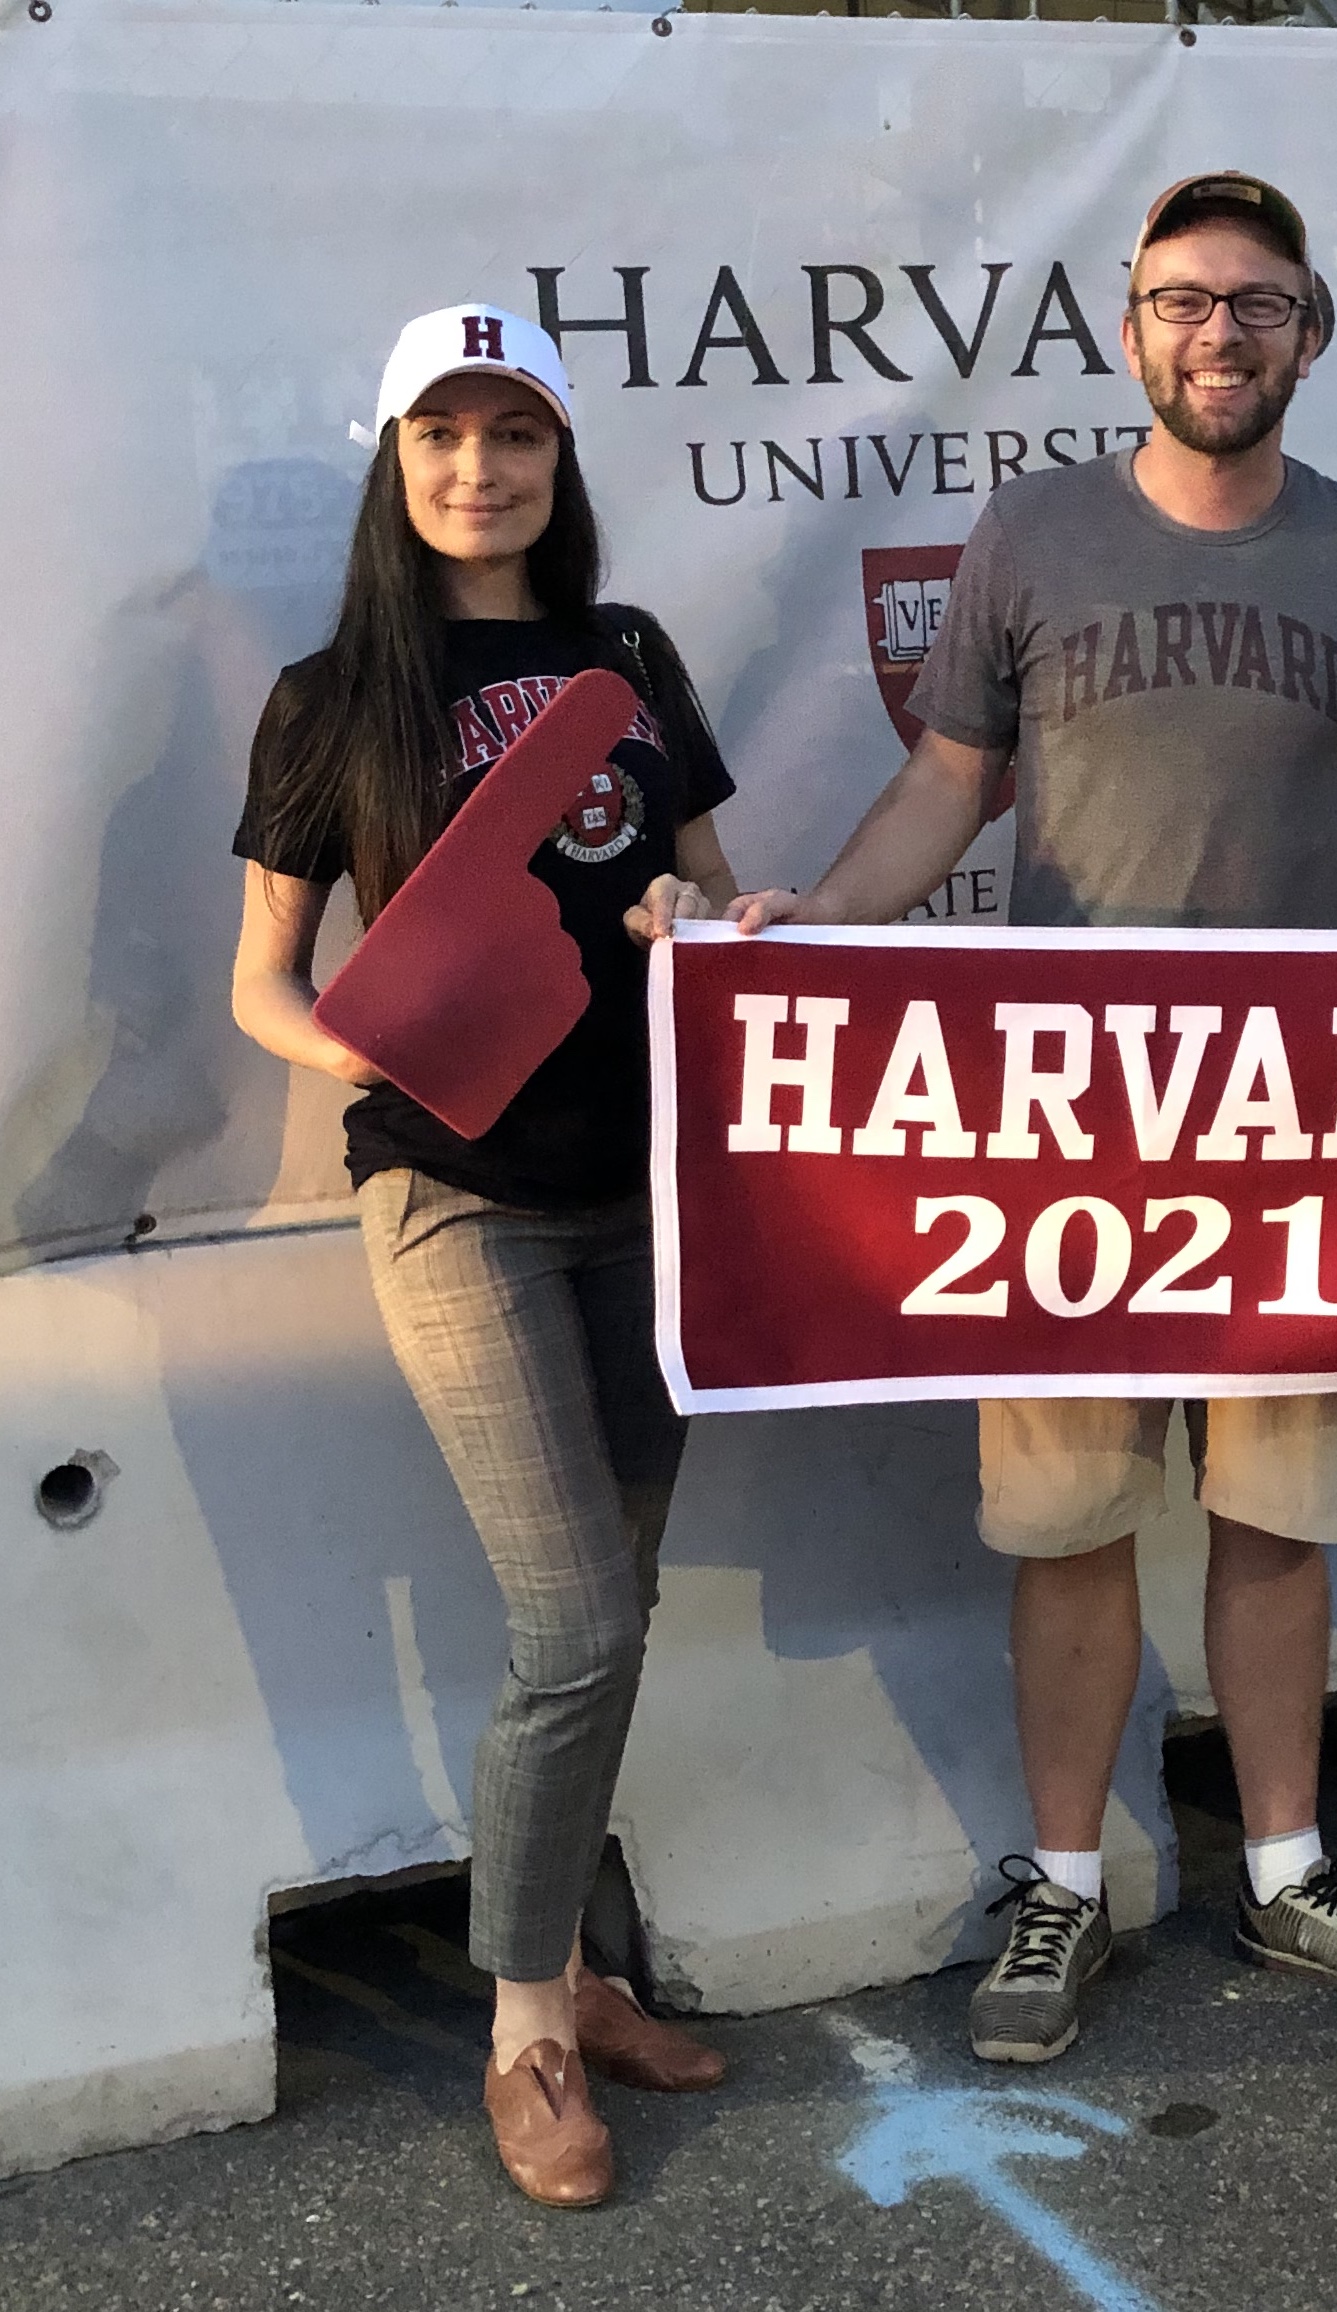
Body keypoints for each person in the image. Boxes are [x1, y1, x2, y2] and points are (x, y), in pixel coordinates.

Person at [712, 173, 1337, 2062]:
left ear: (1308, 331)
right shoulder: (1029, 538)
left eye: (1256, 304)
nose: (1218, 334)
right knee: (1070, 1521)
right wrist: (825, 926)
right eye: (1183, 301)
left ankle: (1284, 1871)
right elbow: (947, 779)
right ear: (1128, 327)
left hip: (1300, 1129)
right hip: (1069, 1124)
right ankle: (1063, 1892)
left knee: (1279, 1512)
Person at [231, 304, 741, 2206]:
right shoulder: (329, 694)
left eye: (514, 433)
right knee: (575, 1626)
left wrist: (700, 915)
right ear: (392, 464)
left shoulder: (623, 655)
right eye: (440, 437)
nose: (478, 470)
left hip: (655, 1189)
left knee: (615, 1604)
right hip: (453, 1191)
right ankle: (528, 2023)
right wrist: (363, 1035)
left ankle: (578, 1976)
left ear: (559, 458)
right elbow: (261, 987)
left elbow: (699, 877)